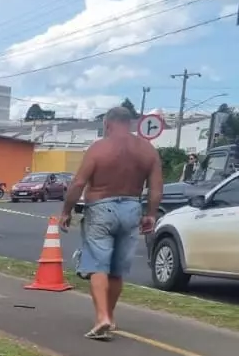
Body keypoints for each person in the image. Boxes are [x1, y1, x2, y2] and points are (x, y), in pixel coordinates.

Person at [60, 105, 162, 341]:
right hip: (132, 208)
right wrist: (151, 214)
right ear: (132, 123)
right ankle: (111, 315)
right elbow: (156, 188)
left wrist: (66, 211)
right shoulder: (147, 150)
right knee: (117, 270)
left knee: (98, 264)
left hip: (101, 207)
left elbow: (78, 183)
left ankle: (101, 318)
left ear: (107, 124)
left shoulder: (99, 148)